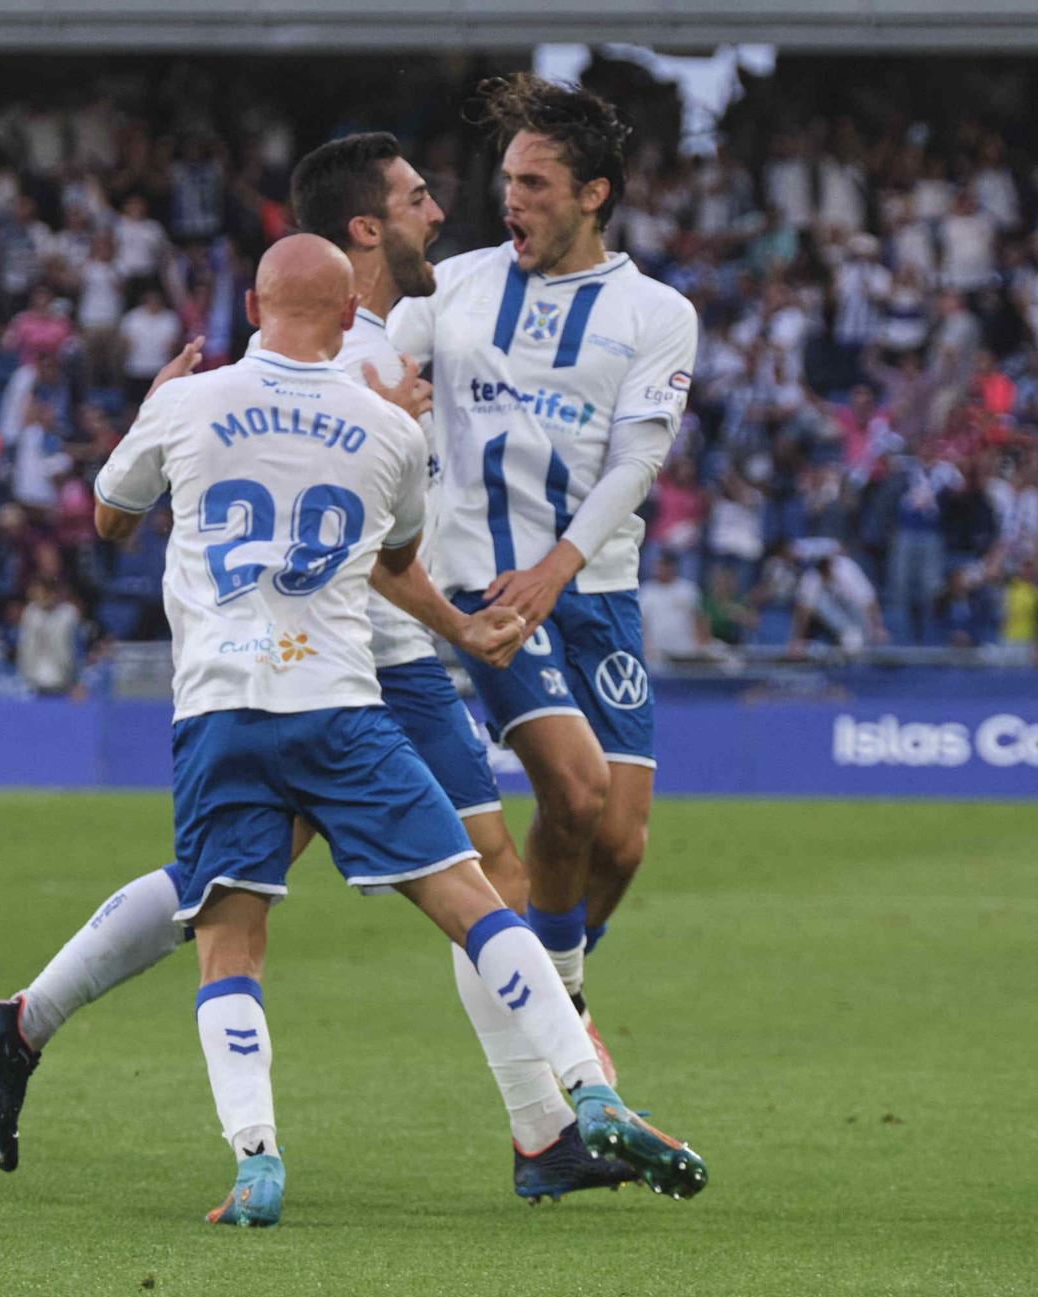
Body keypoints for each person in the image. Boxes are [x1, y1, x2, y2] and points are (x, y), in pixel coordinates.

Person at [0, 134, 634, 1202]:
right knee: (473, 879)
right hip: (367, 667)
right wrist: (458, 630)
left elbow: (114, 510)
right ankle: (554, 1122)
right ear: (360, 231)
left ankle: (30, 1025)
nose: (434, 216)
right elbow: (380, 564)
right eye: (417, 201)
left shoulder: (312, 360)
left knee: (219, 891)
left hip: (254, 683)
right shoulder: (364, 380)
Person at [386, 75, 699, 1069]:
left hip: (590, 587)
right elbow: (369, 378)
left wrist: (562, 566)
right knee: (571, 796)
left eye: (532, 183)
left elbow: (636, 460)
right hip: (488, 590)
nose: (507, 200)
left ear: (592, 193)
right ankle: (559, 1020)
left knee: (620, 841)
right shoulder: (453, 287)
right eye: (504, 180)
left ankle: (557, 984)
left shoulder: (654, 313)